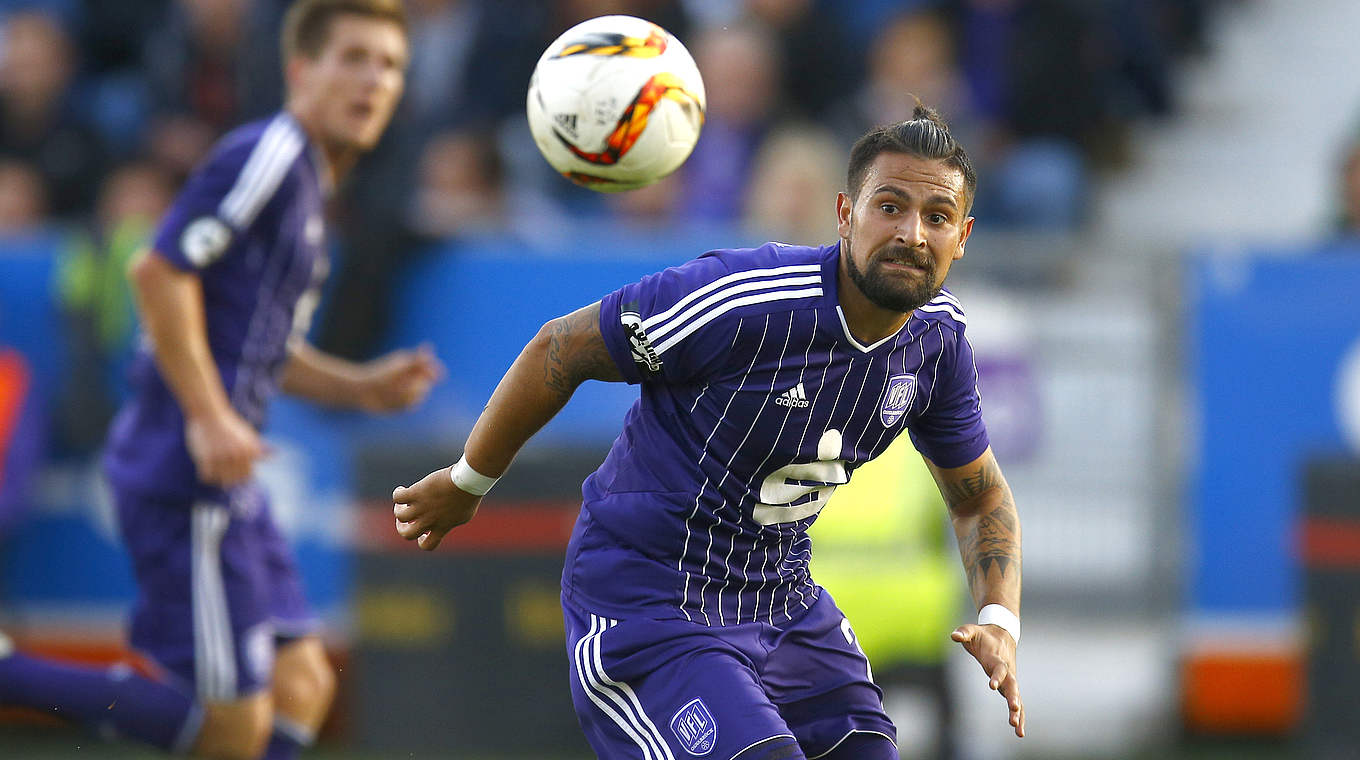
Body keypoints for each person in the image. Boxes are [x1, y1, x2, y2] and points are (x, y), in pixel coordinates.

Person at [393, 102, 1025, 759]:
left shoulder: (938, 344)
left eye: (937, 217)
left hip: (782, 604)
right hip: (650, 601)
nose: (912, 234)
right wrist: (469, 481)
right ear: (845, 214)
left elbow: (979, 497)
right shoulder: (741, 300)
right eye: (889, 206)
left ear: (964, 235)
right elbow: (561, 347)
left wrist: (1000, 621)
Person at [0, 2, 440, 759]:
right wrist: (207, 416)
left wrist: (363, 387)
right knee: (231, 728)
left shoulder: (307, 190)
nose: (374, 80)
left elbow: (271, 352)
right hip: (185, 469)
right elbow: (157, 269)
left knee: (304, 685)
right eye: (355, 58)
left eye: (390, 65)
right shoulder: (267, 155)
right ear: (301, 71)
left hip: (224, 479)